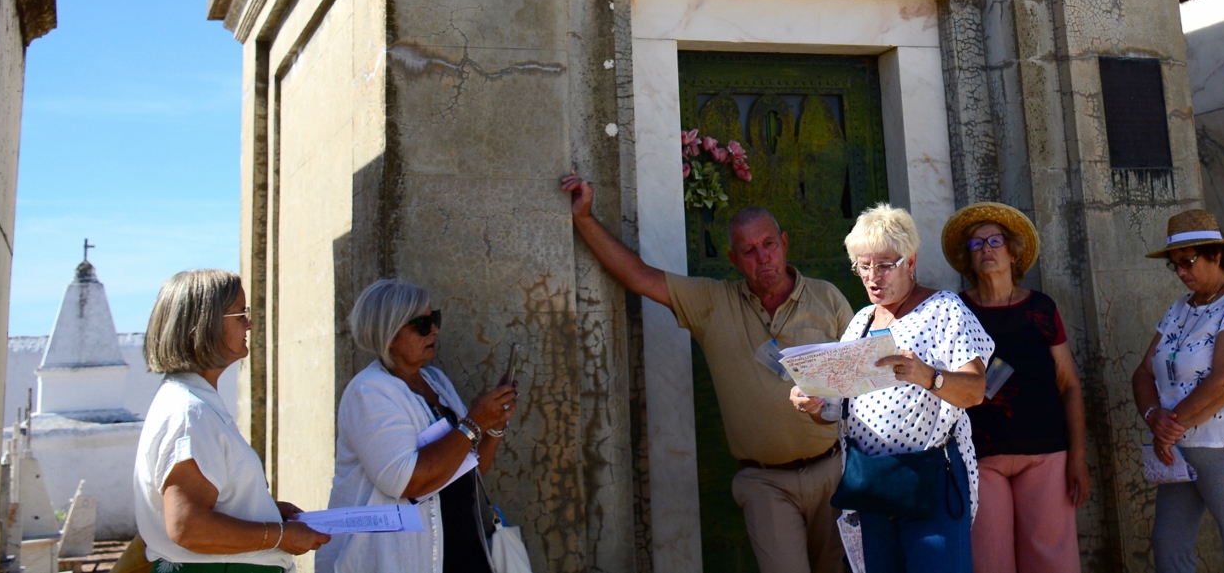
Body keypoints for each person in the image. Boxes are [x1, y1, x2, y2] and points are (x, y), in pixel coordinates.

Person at [561, 172, 854, 573]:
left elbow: (858, 383)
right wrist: (584, 219)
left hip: (833, 470)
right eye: (748, 250)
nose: (762, 256)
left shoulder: (827, 298)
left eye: (768, 244)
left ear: (784, 243)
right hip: (765, 483)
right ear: (733, 260)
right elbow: (638, 276)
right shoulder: (712, 303)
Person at [789, 203, 994, 573]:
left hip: (930, 478)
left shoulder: (943, 309)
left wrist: (927, 375)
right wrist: (815, 404)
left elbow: (976, 390)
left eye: (885, 265)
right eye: (863, 266)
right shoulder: (860, 323)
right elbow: (841, 412)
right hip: (872, 486)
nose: (872, 276)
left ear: (911, 262)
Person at [133, 269, 330, 568]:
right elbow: (189, 526)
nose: (249, 324)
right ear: (206, 325)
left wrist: (260, 510)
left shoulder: (195, 404)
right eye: (240, 315)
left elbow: (210, 502)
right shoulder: (189, 413)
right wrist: (280, 536)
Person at [322, 278, 517, 572]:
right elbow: (407, 482)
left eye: (434, 319)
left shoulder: (436, 381)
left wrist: (494, 424)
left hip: (464, 551)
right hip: (400, 559)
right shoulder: (370, 391)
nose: (435, 330)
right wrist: (474, 422)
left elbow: (468, 470)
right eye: (422, 325)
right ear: (388, 334)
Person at [943, 203, 1086, 573]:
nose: (986, 249)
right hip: (981, 458)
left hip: (1046, 456)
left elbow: (1069, 384)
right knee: (989, 562)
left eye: (995, 240)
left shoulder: (1041, 307)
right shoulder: (955, 311)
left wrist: (1078, 457)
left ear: (1012, 251)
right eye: (976, 244)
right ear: (968, 258)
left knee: (1052, 563)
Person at [1133, 210, 1224, 573]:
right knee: (1168, 544)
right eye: (1175, 265)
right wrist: (1154, 418)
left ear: (1218, 256)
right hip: (1176, 448)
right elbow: (1144, 372)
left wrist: (1169, 426)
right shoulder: (1179, 309)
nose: (1181, 272)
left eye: (1187, 261)